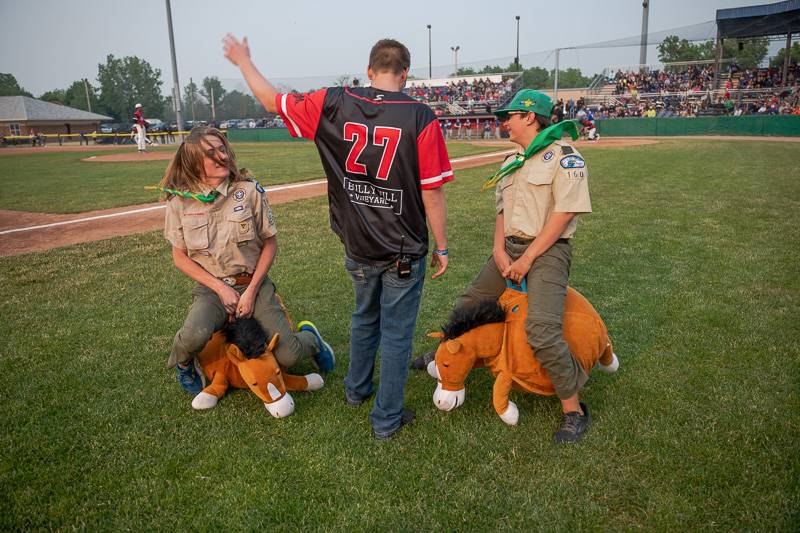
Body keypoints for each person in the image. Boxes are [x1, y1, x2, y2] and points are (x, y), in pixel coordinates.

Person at [224, 35, 452, 439]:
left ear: (369, 70)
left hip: (357, 241)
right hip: (403, 245)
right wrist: (443, 245)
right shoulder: (420, 116)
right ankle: (386, 418)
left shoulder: (333, 101)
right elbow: (432, 189)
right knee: (396, 333)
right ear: (405, 74)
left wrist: (243, 61)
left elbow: (272, 101)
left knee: (364, 317)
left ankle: (356, 390)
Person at [411, 89, 593, 444]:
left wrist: (527, 259)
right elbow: (502, 211)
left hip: (548, 250)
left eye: (508, 116)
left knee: (541, 330)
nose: (502, 122)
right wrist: (498, 250)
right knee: (469, 304)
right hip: (508, 247)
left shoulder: (565, 157)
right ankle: (445, 355)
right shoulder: (513, 159)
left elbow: (565, 214)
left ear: (529, 117)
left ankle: (574, 409)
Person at [161, 126, 335, 396]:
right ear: (195, 163)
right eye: (211, 153)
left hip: (253, 283)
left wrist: (251, 291)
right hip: (213, 289)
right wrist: (221, 289)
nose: (222, 156)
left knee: (289, 356)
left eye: (222, 149)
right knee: (194, 335)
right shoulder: (179, 203)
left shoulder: (249, 191)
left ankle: (312, 339)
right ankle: (184, 364)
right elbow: (179, 257)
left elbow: (270, 242)